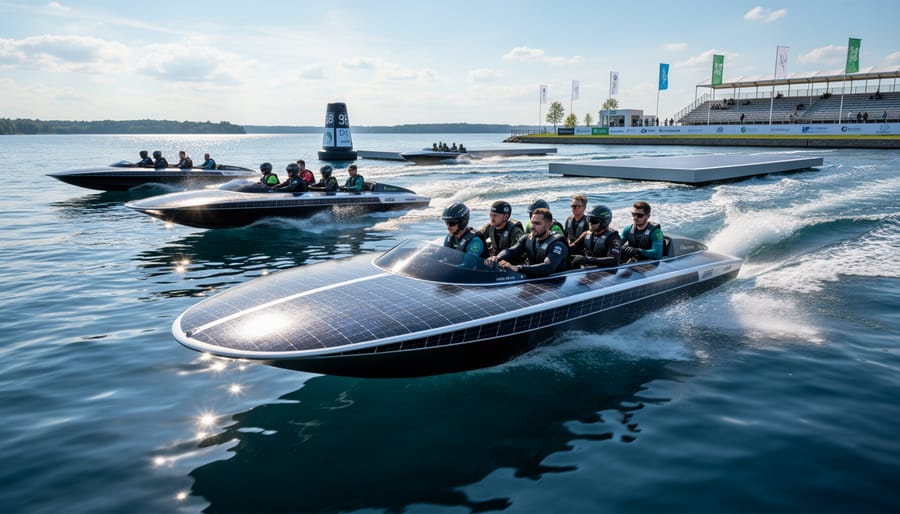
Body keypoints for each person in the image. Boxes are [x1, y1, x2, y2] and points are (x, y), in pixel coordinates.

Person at [488, 207, 568, 277]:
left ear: (548, 225)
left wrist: (518, 268)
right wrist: (497, 258)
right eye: (532, 222)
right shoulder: (527, 238)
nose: (532, 227)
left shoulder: (557, 245)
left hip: (556, 283)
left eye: (537, 223)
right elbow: (511, 251)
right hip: (535, 280)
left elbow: (548, 267)